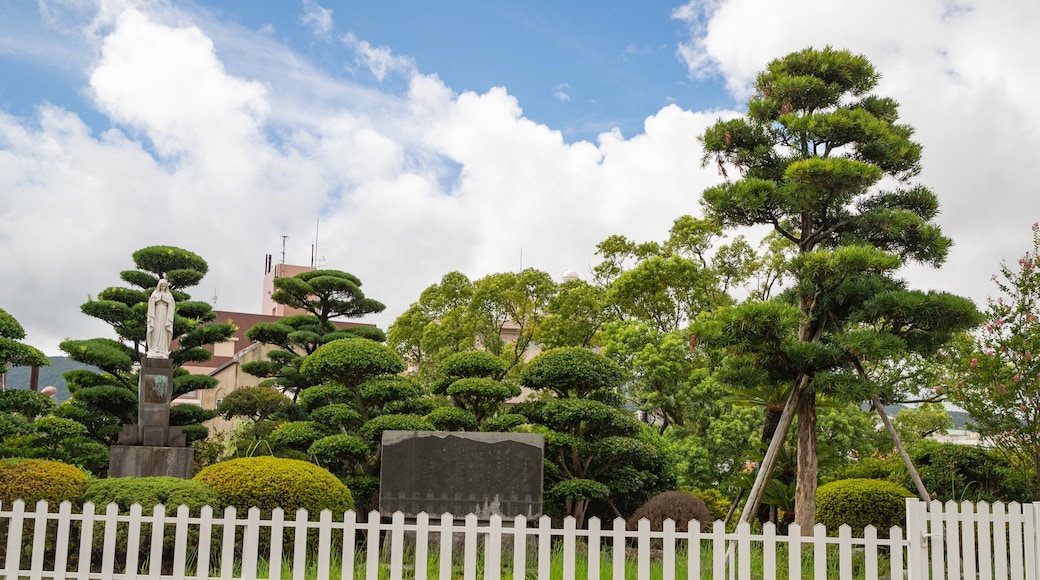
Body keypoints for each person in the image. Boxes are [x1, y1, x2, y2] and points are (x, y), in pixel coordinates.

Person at [146, 278, 175, 358]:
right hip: (156, 314)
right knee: (155, 329)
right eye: (162, 286)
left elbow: (172, 304)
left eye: (164, 286)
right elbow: (151, 301)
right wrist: (157, 300)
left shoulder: (169, 295)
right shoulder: (155, 293)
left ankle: (163, 349)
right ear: (159, 286)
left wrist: (166, 301)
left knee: (163, 330)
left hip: (165, 314)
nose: (163, 287)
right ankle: (153, 348)